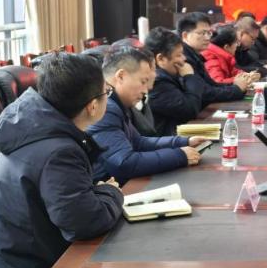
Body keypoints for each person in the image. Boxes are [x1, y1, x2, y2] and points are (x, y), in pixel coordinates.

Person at [0, 53, 123, 268]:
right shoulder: (59, 151)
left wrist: (97, 194)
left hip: (24, 263)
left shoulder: (33, 127)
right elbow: (84, 223)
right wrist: (111, 192)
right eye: (107, 92)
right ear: (92, 106)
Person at [88, 44, 208, 184]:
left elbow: (138, 142)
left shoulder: (116, 102)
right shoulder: (105, 107)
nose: (146, 90)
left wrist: (184, 142)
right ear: (121, 76)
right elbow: (124, 163)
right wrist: (180, 155)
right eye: (143, 81)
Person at [145, 27, 209, 136]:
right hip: (167, 140)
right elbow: (190, 110)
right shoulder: (158, 82)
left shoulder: (170, 75)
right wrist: (189, 77)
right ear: (161, 59)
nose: (184, 59)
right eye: (178, 55)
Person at [177, 12, 249, 103]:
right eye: (202, 33)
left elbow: (211, 85)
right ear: (185, 35)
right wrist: (236, 89)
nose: (207, 38)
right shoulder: (184, 58)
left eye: (209, 33)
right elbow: (205, 93)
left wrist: (236, 85)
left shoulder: (196, 55)